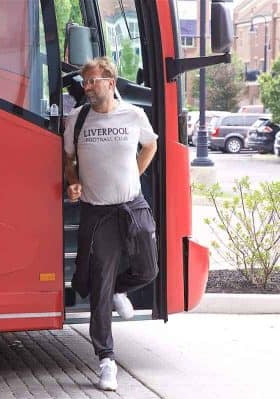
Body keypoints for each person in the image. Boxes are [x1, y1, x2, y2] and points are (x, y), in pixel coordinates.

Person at [63, 57, 159, 391]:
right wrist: (73, 180)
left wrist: (136, 171)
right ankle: (106, 360)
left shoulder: (133, 114)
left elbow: (151, 144)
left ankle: (122, 288)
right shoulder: (77, 119)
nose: (86, 87)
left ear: (110, 81)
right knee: (99, 289)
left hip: (133, 206)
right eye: (84, 82)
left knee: (148, 271)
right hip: (98, 212)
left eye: (92, 81)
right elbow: (69, 158)